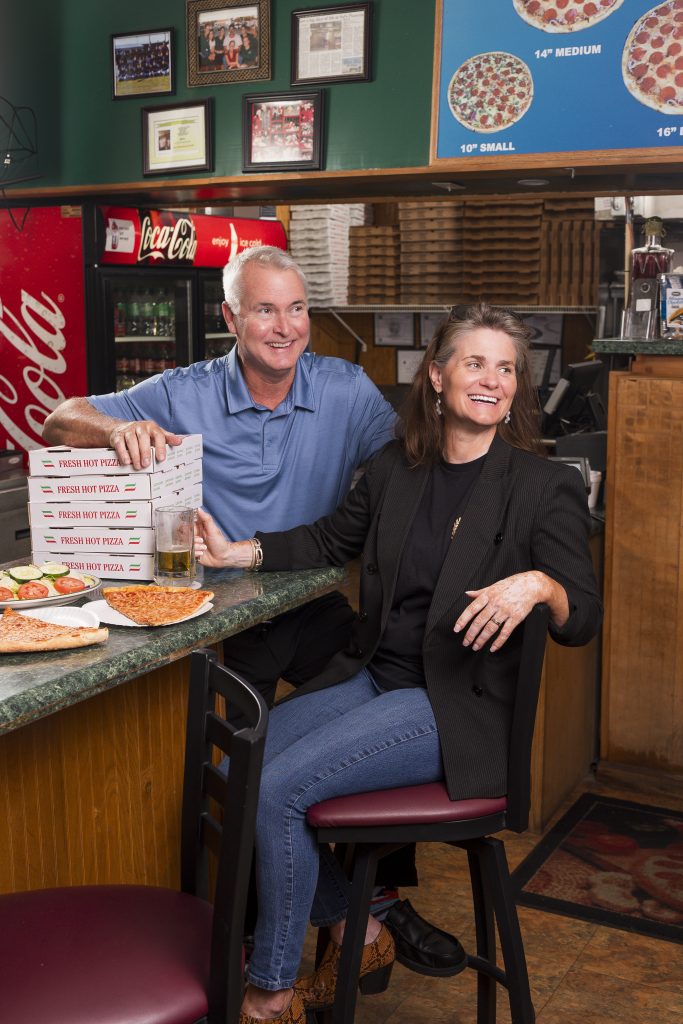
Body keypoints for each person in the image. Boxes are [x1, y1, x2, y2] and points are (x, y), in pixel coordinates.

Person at [41, 245, 460, 972]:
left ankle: (376, 895)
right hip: (219, 616)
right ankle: (328, 918)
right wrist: (115, 431)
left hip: (309, 600)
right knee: (246, 768)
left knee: (381, 706)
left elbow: (414, 453)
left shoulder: (345, 387)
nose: (285, 326)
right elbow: (57, 417)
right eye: (265, 309)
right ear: (232, 318)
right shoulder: (183, 389)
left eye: (296, 308)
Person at [193, 302, 602, 1024]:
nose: (492, 381)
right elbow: (327, 540)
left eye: (505, 369)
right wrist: (240, 551)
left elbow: (584, 619)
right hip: (377, 678)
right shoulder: (397, 469)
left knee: (277, 787)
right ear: (436, 377)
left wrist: (540, 585)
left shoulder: (543, 487)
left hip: (459, 709)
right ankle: (362, 927)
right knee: (239, 772)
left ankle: (270, 992)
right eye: (474, 363)